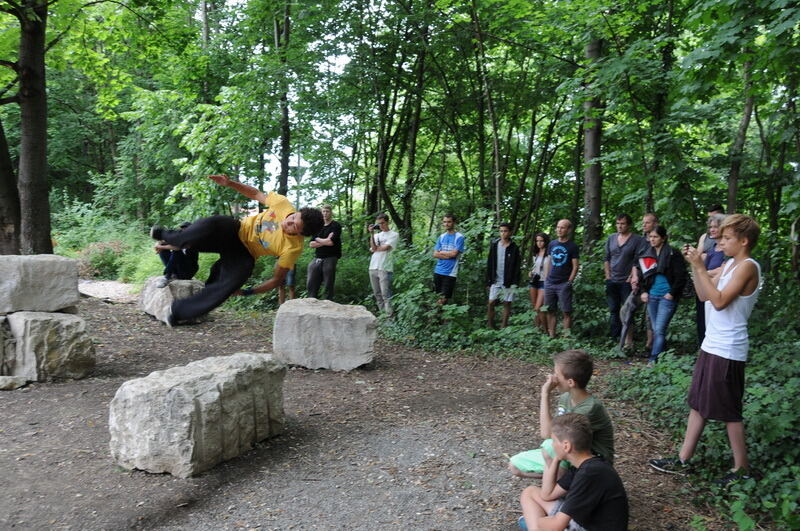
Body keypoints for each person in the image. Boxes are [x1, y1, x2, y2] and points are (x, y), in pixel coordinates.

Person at [649, 214, 761, 485]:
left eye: (726, 237)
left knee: (729, 411)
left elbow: (720, 301)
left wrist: (700, 268)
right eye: (720, 236)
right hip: (712, 343)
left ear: (744, 241)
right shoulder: (730, 264)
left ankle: (741, 467)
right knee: (698, 403)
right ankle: (683, 458)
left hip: (729, 348)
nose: (720, 241)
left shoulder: (748, 266)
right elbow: (703, 294)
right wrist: (695, 266)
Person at [150, 174, 323, 325]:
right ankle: (167, 235)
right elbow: (255, 193)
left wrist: (247, 291)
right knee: (215, 223)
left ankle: (177, 312)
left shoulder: (293, 248)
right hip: (236, 230)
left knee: (233, 280)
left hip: (245, 253)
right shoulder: (283, 205)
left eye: (294, 226)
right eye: (293, 217)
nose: (288, 222)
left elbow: (277, 280)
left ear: (301, 234)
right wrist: (230, 183)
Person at [508, 349, 614, 479]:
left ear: (570, 382)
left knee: (549, 447)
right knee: (515, 465)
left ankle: (564, 487)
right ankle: (562, 480)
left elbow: (547, 434)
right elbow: (553, 432)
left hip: (591, 461)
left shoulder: (589, 409)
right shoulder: (566, 397)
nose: (553, 378)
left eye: (556, 374)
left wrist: (545, 394)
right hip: (568, 451)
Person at [518, 413, 629, 531]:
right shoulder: (582, 466)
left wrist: (537, 522)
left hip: (590, 527)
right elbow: (547, 495)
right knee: (530, 492)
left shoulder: (590, 473)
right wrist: (556, 459)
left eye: (554, 441)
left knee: (535, 523)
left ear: (566, 446)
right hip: (584, 521)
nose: (552, 445)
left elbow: (556, 525)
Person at [639, 225, 687, 363]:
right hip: (652, 296)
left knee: (659, 329)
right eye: (650, 237)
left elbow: (681, 276)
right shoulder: (647, 253)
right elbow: (643, 276)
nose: (652, 239)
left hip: (667, 297)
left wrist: (672, 293)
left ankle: (653, 360)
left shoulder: (673, 253)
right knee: (656, 329)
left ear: (663, 238)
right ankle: (663, 356)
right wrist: (643, 291)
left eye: (655, 237)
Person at [603, 214, 643, 348]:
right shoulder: (611, 238)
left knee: (628, 310)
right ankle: (615, 338)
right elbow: (606, 258)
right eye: (618, 223)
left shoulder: (637, 239)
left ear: (629, 225)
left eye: (623, 223)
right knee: (614, 310)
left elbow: (637, 260)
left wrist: (632, 276)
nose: (620, 226)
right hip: (612, 280)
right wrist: (608, 276)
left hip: (627, 281)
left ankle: (628, 341)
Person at [696, 213, 728, 344]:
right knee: (705, 327)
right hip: (706, 293)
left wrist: (703, 271)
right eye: (710, 227)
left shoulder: (727, 251)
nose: (712, 230)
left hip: (719, 294)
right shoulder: (712, 248)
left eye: (716, 227)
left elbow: (723, 270)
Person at [544, 219, 580, 337]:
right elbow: (549, 261)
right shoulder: (552, 244)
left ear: (569, 230)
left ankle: (566, 337)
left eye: (562, 227)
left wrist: (569, 281)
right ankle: (552, 335)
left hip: (563, 283)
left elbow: (575, 266)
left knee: (566, 311)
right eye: (558, 227)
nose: (559, 230)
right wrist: (546, 278)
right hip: (550, 282)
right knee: (550, 310)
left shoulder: (572, 246)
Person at [486, 222, 521, 329]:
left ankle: (503, 326)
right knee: (491, 302)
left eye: (505, 231)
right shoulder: (495, 245)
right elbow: (490, 263)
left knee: (507, 303)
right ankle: (491, 325)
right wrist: (488, 280)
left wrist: (515, 282)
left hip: (508, 281)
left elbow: (517, 266)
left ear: (510, 232)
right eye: (501, 231)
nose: (503, 233)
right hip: (495, 279)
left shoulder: (514, 247)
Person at [306, 204, 342, 300]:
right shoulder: (318, 226)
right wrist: (324, 240)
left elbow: (330, 243)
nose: (325, 213)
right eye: (323, 211)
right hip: (318, 257)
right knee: (311, 280)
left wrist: (318, 240)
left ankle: (327, 302)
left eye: (327, 211)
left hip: (331, 257)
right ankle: (312, 300)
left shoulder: (336, 225)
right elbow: (311, 244)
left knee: (328, 282)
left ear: (331, 213)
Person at [368, 213, 399, 317]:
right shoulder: (376, 235)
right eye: (379, 224)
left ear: (387, 222)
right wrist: (371, 234)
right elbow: (373, 248)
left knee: (386, 294)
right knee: (377, 294)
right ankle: (382, 316)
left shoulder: (394, 234)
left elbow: (385, 248)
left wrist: (376, 248)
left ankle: (389, 318)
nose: (381, 226)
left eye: (383, 223)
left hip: (385, 267)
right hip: (373, 267)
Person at [432, 214, 465, 305]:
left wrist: (441, 252)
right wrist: (448, 255)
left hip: (450, 273)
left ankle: (435, 315)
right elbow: (434, 254)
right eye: (445, 222)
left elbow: (454, 254)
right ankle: (440, 318)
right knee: (438, 296)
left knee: (444, 298)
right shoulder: (441, 237)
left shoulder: (459, 237)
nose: (446, 224)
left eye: (449, 222)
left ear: (454, 222)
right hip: (438, 270)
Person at [155, 222, 199, 288]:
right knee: (163, 248)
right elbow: (162, 241)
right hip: (179, 269)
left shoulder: (193, 240)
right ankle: (172, 274)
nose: (184, 231)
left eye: (186, 229)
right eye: (182, 229)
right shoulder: (180, 239)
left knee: (176, 251)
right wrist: (158, 244)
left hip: (188, 271)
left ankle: (167, 276)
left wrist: (160, 247)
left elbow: (177, 247)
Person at [528, 232, 551, 332]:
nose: (539, 243)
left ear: (545, 241)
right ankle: (537, 329)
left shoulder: (549, 254)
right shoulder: (536, 253)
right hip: (534, 281)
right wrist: (531, 272)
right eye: (537, 241)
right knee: (534, 308)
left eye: (541, 241)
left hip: (544, 282)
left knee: (539, 308)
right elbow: (535, 267)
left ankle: (546, 330)